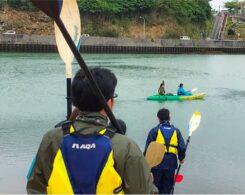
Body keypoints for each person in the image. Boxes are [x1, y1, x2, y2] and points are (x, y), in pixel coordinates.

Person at [27, 67, 157, 194]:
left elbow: (35, 188)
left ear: (75, 102)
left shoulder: (52, 139)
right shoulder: (126, 147)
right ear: (110, 103)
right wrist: (149, 183)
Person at [144, 108, 186, 194]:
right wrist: (182, 158)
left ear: (158, 118)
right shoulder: (176, 131)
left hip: (157, 164)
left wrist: (146, 164)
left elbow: (148, 148)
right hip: (171, 164)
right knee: (167, 187)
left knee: (155, 187)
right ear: (169, 117)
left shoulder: (154, 131)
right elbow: (181, 147)